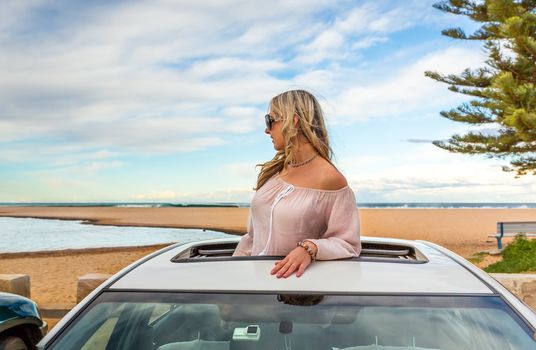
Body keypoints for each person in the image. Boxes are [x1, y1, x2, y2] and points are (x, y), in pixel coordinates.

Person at [233, 90, 361, 278]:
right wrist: (233, 274)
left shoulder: (330, 178)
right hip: (255, 284)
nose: (266, 130)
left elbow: (347, 243)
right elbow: (252, 238)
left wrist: (310, 248)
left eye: (270, 120)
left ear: (292, 121)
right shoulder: (272, 173)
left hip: (295, 289)